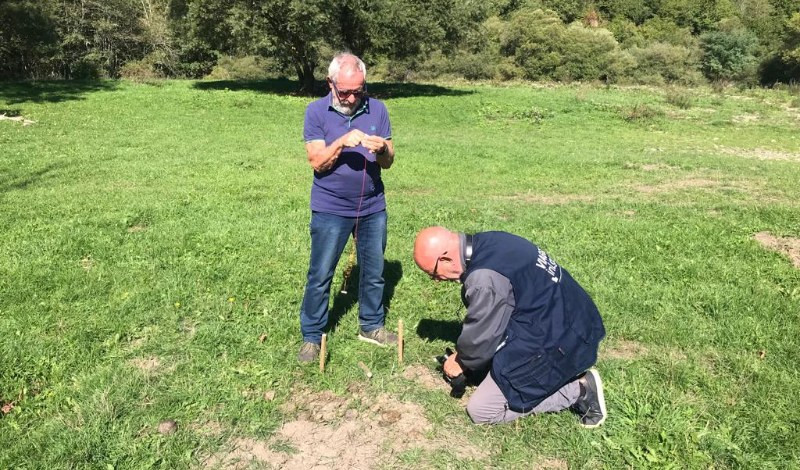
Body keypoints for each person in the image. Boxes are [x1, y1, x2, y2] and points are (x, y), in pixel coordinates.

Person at [413, 227, 608, 427]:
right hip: (579, 318)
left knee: (482, 410)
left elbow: (482, 336)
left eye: (433, 274)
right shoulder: (490, 240)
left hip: (561, 339)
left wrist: (462, 360)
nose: (436, 280)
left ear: (445, 259)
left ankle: (580, 391)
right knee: (490, 365)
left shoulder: (484, 280)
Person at [297, 53, 397, 363]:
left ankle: (371, 326)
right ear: (330, 83)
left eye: (359, 90)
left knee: (374, 271)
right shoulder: (316, 112)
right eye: (345, 91)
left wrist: (382, 148)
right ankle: (312, 336)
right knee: (321, 273)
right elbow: (316, 162)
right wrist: (341, 142)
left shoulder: (377, 109)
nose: (353, 97)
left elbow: (389, 161)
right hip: (330, 208)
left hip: (372, 206)